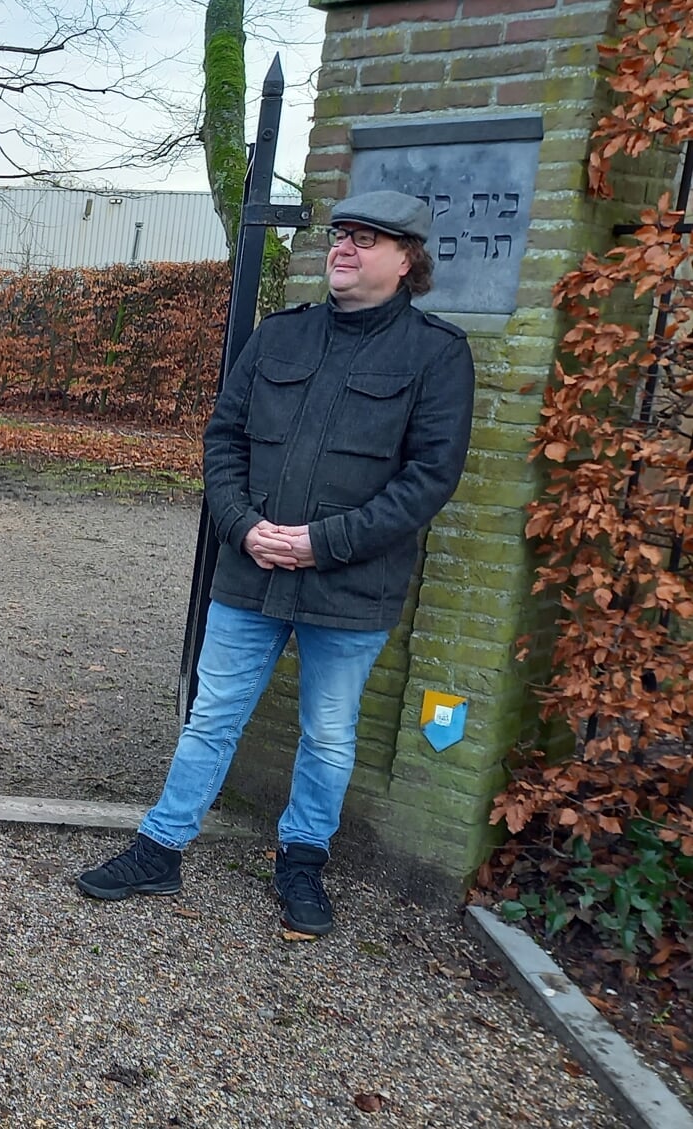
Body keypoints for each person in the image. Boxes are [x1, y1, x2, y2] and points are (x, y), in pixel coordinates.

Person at [75, 190, 475, 938]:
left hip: (350, 588)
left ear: (406, 259)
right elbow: (223, 437)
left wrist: (323, 543)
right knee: (212, 717)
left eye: (366, 238)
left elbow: (429, 479)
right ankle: (160, 848)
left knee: (328, 732)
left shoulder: (436, 355)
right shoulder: (279, 336)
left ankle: (301, 861)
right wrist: (242, 525)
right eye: (340, 235)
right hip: (250, 573)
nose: (343, 248)